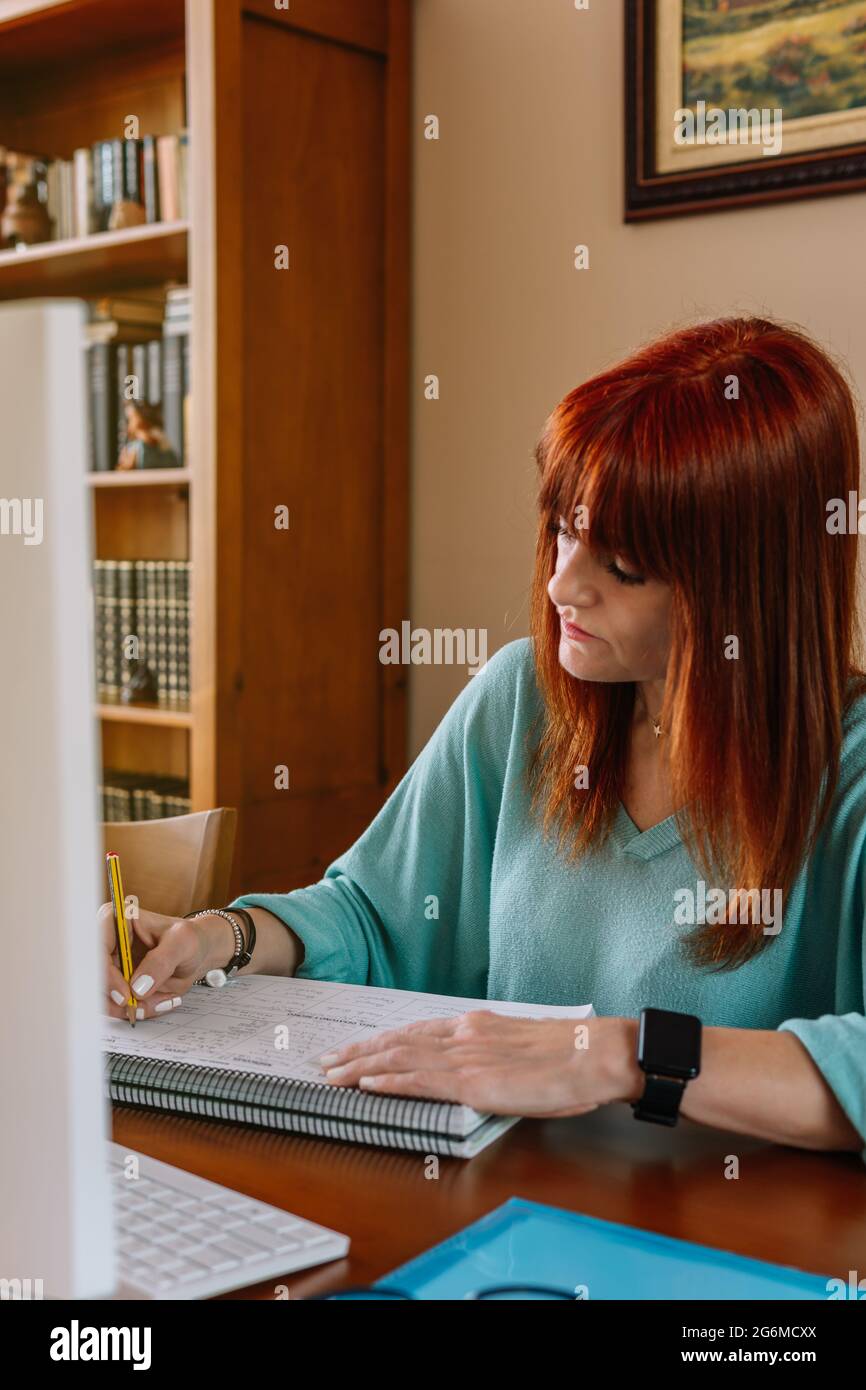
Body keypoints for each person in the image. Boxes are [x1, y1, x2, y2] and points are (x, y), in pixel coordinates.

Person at [103, 316, 866, 1158]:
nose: (561, 584)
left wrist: (618, 1053)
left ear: (750, 585)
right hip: (500, 1222)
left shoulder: (851, 771)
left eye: (622, 565)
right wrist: (221, 939)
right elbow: (374, 916)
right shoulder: (523, 697)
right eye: (565, 530)